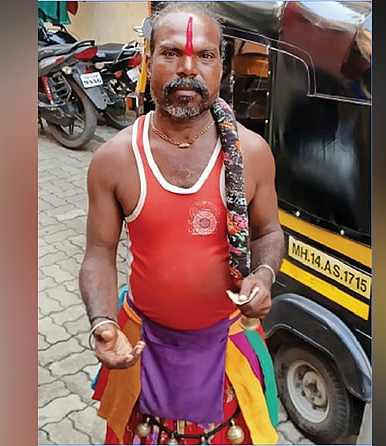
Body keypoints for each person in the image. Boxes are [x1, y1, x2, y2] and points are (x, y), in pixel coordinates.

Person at [79, 2, 284, 444]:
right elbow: (98, 253)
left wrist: (265, 275)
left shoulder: (252, 153)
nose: (188, 69)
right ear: (148, 58)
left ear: (221, 67)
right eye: (171, 53)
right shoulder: (115, 159)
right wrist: (102, 323)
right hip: (140, 345)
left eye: (205, 56)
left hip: (229, 347)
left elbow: (269, 232)